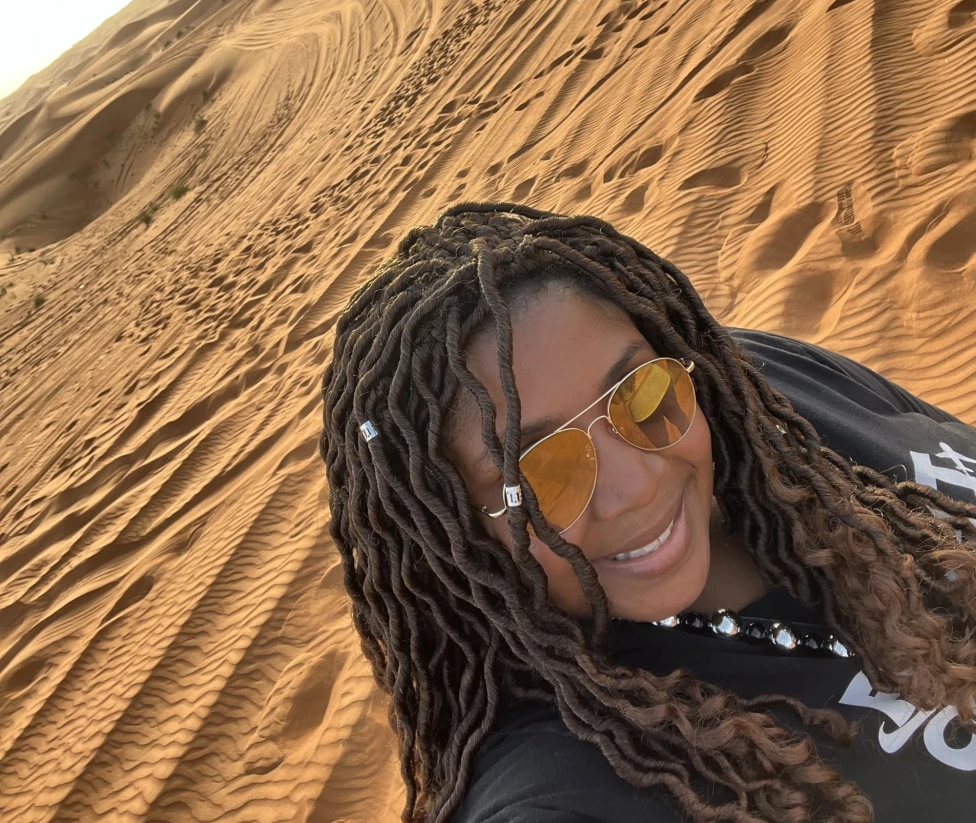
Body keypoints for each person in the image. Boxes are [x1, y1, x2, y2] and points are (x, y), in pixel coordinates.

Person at [318, 201, 976, 823]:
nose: (634, 484)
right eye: (540, 472)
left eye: (639, 392)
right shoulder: (567, 785)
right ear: (454, 538)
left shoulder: (768, 387)